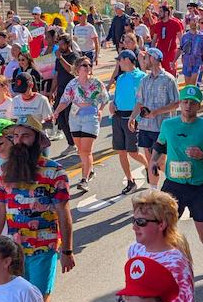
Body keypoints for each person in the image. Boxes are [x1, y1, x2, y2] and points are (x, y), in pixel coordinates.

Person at [0, 115, 75, 302]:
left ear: (37, 139)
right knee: (21, 301)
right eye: (14, 136)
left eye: (25, 136)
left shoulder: (55, 172)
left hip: (44, 248)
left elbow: (64, 213)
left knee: (39, 300)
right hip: (15, 250)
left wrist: (67, 250)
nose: (18, 141)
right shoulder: (5, 172)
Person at [151, 85, 203, 260]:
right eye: (185, 102)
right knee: (164, 228)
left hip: (197, 188)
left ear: (199, 106)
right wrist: (153, 160)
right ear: (180, 104)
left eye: (192, 103)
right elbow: (160, 144)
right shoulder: (168, 125)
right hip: (173, 186)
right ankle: (164, 258)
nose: (188, 105)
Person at [124, 189, 195, 302]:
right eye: (134, 220)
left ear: (161, 224)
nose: (134, 227)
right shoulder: (134, 250)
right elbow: (131, 296)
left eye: (141, 222)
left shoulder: (176, 264)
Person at [52, 56, 109, 190]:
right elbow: (65, 100)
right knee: (81, 151)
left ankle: (84, 180)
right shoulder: (73, 84)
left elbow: (105, 98)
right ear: (78, 69)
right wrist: (56, 112)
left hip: (91, 118)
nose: (88, 67)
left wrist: (100, 110)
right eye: (84, 65)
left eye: (89, 65)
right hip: (75, 118)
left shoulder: (96, 83)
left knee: (86, 151)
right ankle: (90, 170)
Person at [128, 47, 179, 188]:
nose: (144, 61)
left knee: (158, 163)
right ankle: (154, 192)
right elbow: (139, 101)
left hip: (162, 128)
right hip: (145, 126)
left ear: (154, 58)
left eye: (146, 58)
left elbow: (176, 103)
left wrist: (156, 112)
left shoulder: (169, 79)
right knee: (151, 162)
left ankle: (177, 181)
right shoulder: (145, 80)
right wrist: (132, 117)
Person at [110, 49, 146, 194]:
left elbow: (142, 99)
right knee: (121, 151)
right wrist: (112, 103)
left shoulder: (142, 77)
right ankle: (130, 180)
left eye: (119, 60)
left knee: (133, 152)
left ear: (126, 60)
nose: (118, 63)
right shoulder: (121, 78)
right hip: (118, 117)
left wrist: (136, 118)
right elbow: (117, 96)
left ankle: (149, 167)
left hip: (132, 118)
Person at [51, 34, 78, 147]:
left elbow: (72, 70)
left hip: (72, 92)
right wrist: (52, 91)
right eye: (59, 44)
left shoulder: (74, 56)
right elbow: (56, 76)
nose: (60, 47)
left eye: (62, 44)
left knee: (69, 119)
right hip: (61, 91)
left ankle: (76, 143)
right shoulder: (58, 58)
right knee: (60, 119)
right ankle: (71, 144)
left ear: (68, 44)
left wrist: (61, 58)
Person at [150, 4, 183, 76]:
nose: (159, 13)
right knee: (159, 75)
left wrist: (178, 53)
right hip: (159, 54)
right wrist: (152, 52)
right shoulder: (158, 25)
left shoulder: (175, 24)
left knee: (171, 75)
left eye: (161, 11)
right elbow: (154, 40)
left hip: (170, 53)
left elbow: (181, 40)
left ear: (166, 13)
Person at [179, 17, 203, 87]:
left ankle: (192, 97)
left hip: (197, 62)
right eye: (192, 21)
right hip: (187, 62)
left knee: (193, 84)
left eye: (195, 21)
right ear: (189, 23)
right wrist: (177, 59)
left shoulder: (202, 36)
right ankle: (189, 98)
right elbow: (181, 49)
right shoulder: (185, 36)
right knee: (187, 85)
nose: (193, 23)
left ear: (198, 23)